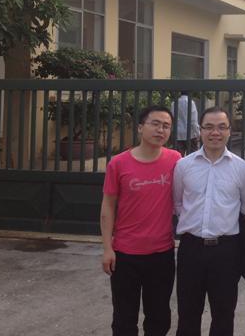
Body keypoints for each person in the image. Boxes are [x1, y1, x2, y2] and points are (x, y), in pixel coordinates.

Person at [172, 106, 245, 336]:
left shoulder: (241, 168)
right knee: (187, 313)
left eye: (221, 127)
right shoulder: (184, 165)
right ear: (200, 131)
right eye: (209, 127)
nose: (215, 132)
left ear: (229, 131)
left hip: (226, 253)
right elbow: (178, 203)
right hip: (191, 249)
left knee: (224, 314)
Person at [100, 105, 182, 336]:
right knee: (124, 319)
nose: (160, 130)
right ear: (140, 127)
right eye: (155, 124)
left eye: (166, 126)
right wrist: (107, 248)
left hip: (161, 254)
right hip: (125, 254)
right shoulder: (118, 163)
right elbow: (108, 206)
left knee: (159, 317)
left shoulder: (176, 160)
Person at [170, 91, 201, 155]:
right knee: (192, 155)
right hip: (190, 133)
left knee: (178, 156)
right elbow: (193, 120)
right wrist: (198, 133)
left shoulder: (174, 103)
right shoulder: (191, 103)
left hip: (177, 133)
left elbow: (172, 118)